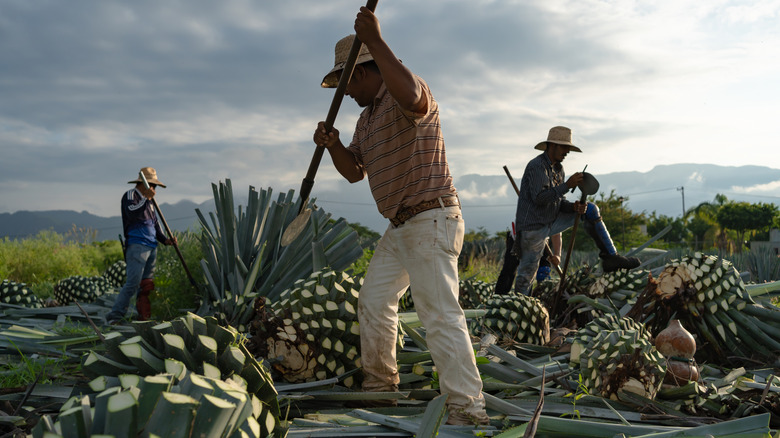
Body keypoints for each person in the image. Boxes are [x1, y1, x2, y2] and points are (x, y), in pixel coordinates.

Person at [312, 7, 489, 426]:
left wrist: (374, 39)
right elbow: (355, 172)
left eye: (346, 82)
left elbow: (412, 95)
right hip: (400, 226)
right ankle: (380, 388)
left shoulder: (406, 93)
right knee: (374, 301)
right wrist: (334, 144)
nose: (346, 92)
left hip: (431, 218)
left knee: (439, 314)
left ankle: (468, 409)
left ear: (360, 73)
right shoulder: (365, 119)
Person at [513, 126, 640, 295]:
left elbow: (557, 201)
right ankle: (521, 307)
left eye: (568, 148)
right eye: (564, 147)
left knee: (590, 210)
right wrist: (567, 185)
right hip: (533, 226)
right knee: (527, 274)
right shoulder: (537, 166)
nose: (567, 152)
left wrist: (572, 207)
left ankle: (611, 257)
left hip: (551, 220)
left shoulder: (558, 169)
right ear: (553, 145)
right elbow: (540, 199)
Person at [107, 167, 175, 324]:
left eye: (155, 186)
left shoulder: (150, 202)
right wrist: (145, 199)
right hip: (137, 245)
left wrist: (165, 240)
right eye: (152, 185)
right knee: (133, 283)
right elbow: (132, 212)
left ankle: (143, 316)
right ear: (143, 184)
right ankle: (115, 316)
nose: (153, 189)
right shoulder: (131, 195)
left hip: (151, 246)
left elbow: (154, 223)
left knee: (146, 285)